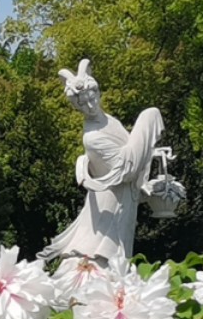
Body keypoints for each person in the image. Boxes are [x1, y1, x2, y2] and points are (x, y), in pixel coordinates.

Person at [39, 59, 166, 262]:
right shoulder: (92, 137)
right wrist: (147, 122)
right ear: (76, 107)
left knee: (117, 266)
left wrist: (148, 175)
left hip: (123, 202)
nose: (90, 106)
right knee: (100, 262)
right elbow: (127, 168)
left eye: (92, 97)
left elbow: (127, 166)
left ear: (98, 92)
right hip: (109, 208)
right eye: (82, 104)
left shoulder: (110, 121)